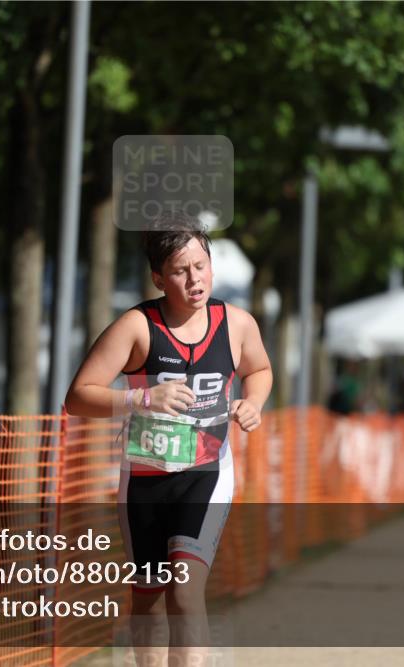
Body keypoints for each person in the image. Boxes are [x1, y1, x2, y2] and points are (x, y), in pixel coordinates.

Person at [64, 212, 273, 663]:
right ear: (159, 277)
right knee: (147, 601)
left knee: (184, 591)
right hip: (145, 476)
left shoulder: (236, 324)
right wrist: (141, 400)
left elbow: (259, 369)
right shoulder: (137, 327)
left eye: (201, 266)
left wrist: (252, 403)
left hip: (207, 472)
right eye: (180, 271)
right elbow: (78, 397)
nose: (194, 279)